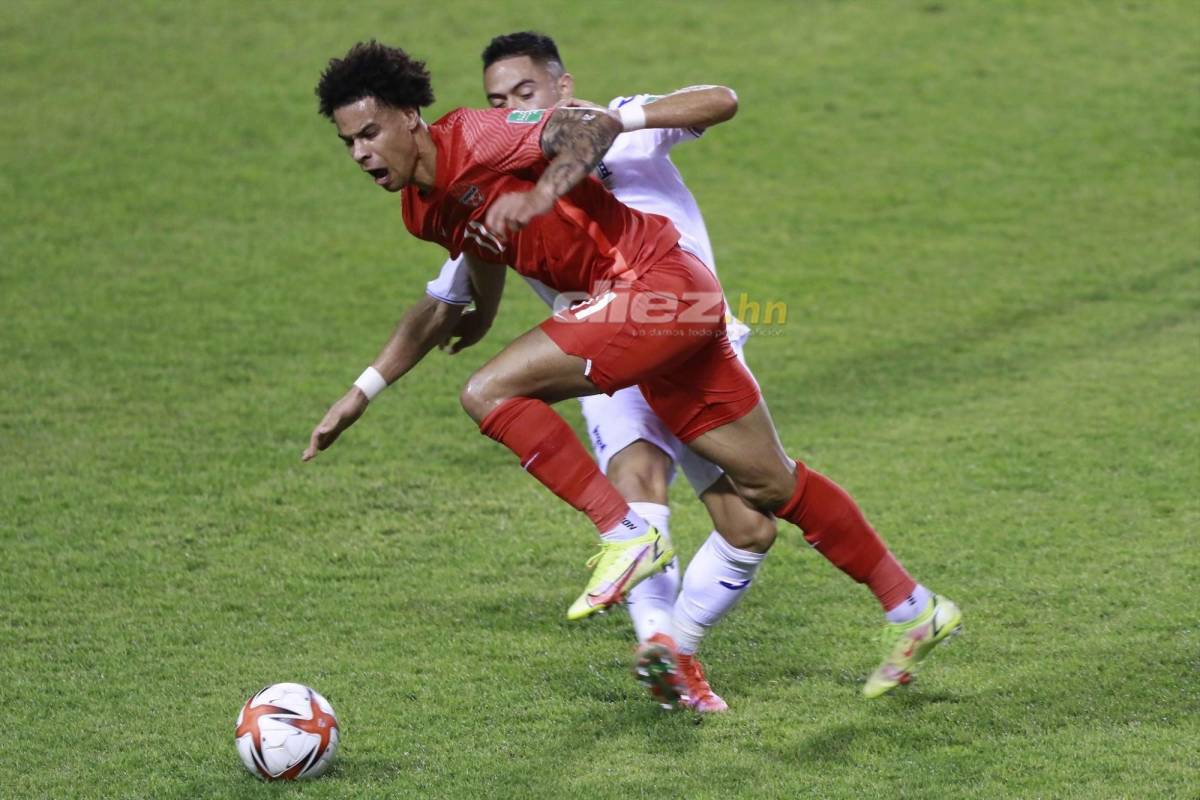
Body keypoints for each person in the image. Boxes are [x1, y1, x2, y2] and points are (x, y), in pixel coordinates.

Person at [305, 40, 963, 703]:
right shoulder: (421, 208)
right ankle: (913, 609)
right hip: (654, 317)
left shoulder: (484, 133)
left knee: (489, 393)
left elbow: (591, 130)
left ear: (411, 116)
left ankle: (628, 539)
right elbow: (476, 251)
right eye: (348, 143)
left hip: (652, 289)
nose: (361, 152)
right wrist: (371, 387)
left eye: (370, 133)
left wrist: (542, 197)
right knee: (768, 490)